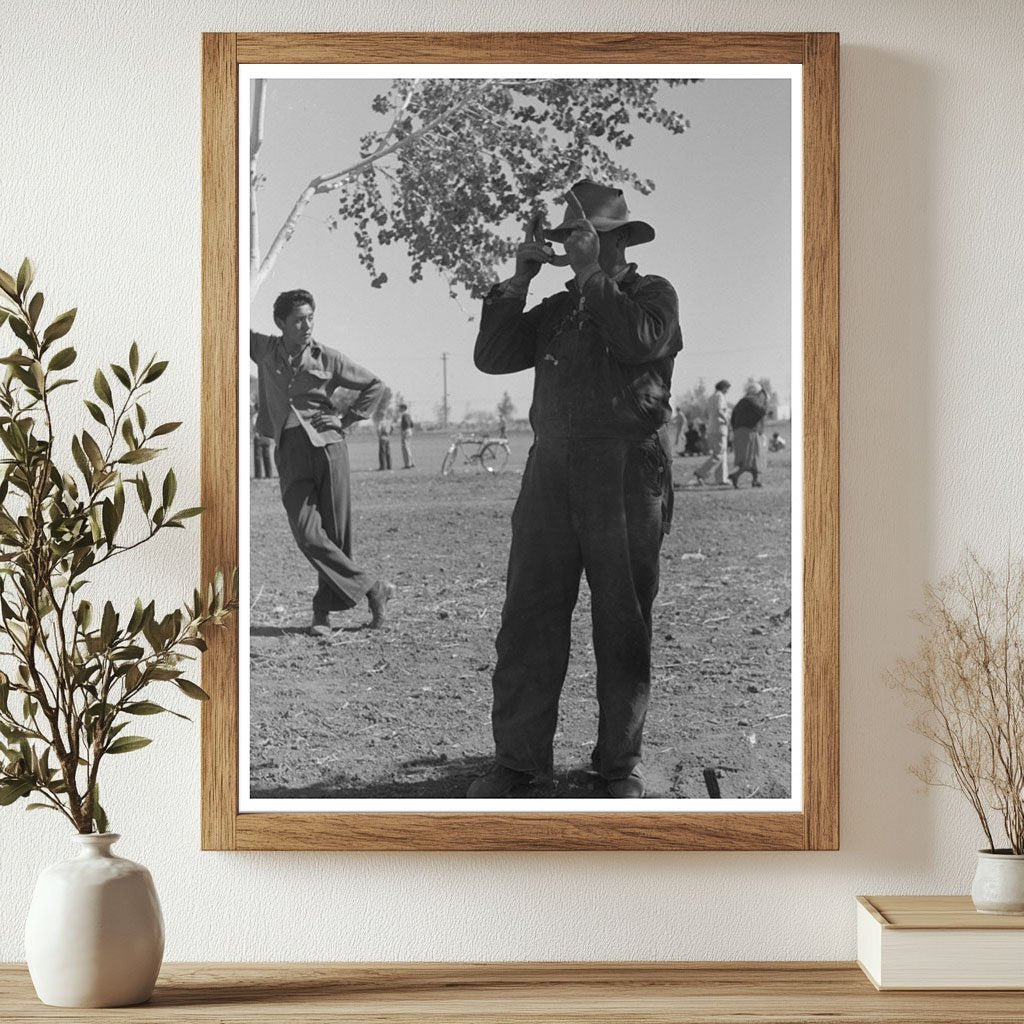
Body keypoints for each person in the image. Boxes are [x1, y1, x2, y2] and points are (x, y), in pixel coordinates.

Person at [468, 179, 681, 800]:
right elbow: (493, 354)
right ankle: (519, 761)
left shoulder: (652, 295)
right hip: (550, 475)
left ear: (614, 240)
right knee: (529, 618)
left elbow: (640, 340)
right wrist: (520, 279)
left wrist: (591, 277)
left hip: (623, 475)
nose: (568, 245)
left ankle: (619, 766)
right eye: (564, 237)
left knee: (622, 621)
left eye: (580, 235)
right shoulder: (557, 310)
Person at [250, 289, 395, 635]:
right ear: (280, 323)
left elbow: (375, 385)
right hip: (288, 451)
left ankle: (321, 614)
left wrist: (345, 420)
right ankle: (374, 587)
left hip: (328, 448)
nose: (307, 325)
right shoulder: (263, 349)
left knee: (333, 534)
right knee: (307, 533)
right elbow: (225, 321)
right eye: (299, 319)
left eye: (311, 317)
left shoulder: (328, 357)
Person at [728, 386, 769, 488]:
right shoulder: (752, 400)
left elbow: (732, 419)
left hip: (738, 431)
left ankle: (755, 481)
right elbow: (763, 411)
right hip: (748, 432)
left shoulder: (740, 402)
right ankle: (735, 475)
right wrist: (766, 401)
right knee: (751, 458)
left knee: (753, 458)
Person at [693, 379, 731, 485]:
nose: (727, 391)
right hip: (720, 429)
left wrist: (711, 421)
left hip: (711, 429)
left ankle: (722, 479)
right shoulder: (720, 396)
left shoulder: (710, 398)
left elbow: (705, 414)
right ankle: (701, 472)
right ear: (723, 387)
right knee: (719, 454)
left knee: (721, 454)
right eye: (727, 388)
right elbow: (719, 410)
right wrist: (727, 420)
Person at [251, 400, 274, 479]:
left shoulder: (255, 416)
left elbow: (254, 427)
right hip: (266, 436)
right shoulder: (265, 415)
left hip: (259, 436)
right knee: (267, 456)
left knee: (258, 457)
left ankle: (258, 475)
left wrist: (256, 434)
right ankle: (269, 474)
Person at [398, 403, 415, 468]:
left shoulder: (404, 415)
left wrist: (404, 431)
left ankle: (408, 464)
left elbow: (407, 423)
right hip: (409, 431)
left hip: (406, 432)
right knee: (408, 448)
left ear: (403, 408)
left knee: (405, 448)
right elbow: (412, 424)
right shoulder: (408, 415)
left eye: (400, 408)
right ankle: (411, 462)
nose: (399, 409)